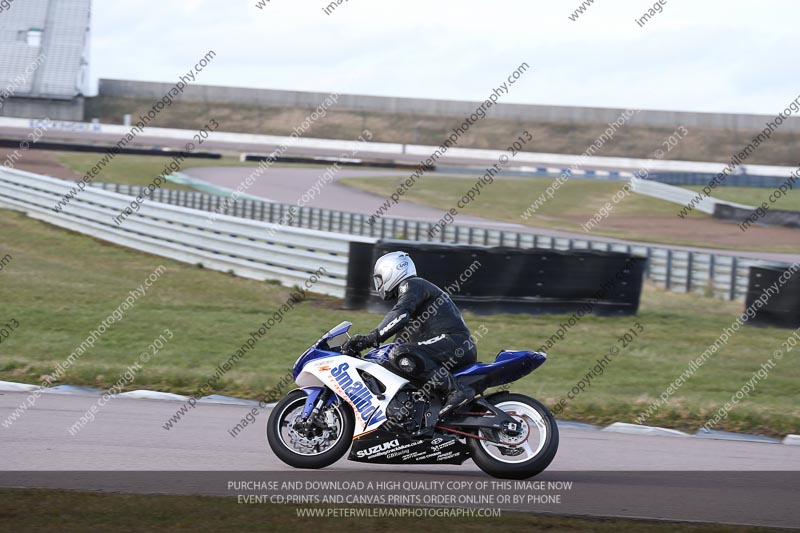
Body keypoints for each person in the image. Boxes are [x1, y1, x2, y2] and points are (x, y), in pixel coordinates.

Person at [342, 251, 477, 417]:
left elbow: (400, 315)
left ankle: (457, 391)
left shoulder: (412, 285)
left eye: (379, 278)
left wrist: (370, 338)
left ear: (391, 271)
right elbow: (398, 342)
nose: (378, 284)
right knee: (395, 357)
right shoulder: (414, 299)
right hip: (447, 345)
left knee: (401, 353)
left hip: (454, 342)